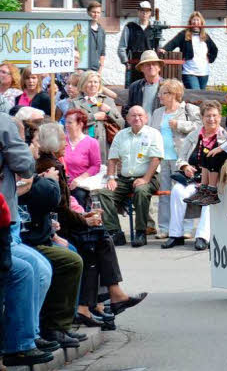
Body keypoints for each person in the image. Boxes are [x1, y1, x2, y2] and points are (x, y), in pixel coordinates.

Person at [33, 123, 145, 328]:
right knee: (98, 239)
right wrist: (85, 220)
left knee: (99, 239)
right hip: (59, 226)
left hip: (64, 222)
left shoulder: (51, 163)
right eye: (62, 140)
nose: (66, 144)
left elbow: (64, 207)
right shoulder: (51, 166)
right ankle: (103, 298)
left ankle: (97, 302)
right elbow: (61, 210)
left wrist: (84, 216)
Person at [16, 158, 85, 350]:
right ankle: (44, 329)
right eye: (33, 141)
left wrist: (52, 230)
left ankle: (64, 322)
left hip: (32, 235)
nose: (35, 148)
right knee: (63, 261)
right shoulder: (36, 165)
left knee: (74, 251)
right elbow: (51, 199)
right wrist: (50, 181)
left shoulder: (35, 169)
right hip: (25, 240)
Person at [0, 112, 52, 367]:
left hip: (6, 219)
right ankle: (18, 344)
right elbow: (25, 165)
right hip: (4, 219)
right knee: (25, 271)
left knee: (42, 268)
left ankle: (28, 335)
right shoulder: (3, 122)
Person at [163, 101, 226, 250]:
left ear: (220, 117)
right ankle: (176, 235)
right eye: (208, 116)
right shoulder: (193, 135)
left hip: (213, 182)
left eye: (215, 116)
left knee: (208, 196)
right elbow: (181, 158)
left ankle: (202, 237)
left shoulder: (226, 137)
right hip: (192, 179)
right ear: (202, 118)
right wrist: (185, 166)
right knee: (178, 191)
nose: (211, 119)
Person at [97, 106, 162, 247]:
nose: (136, 118)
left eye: (140, 115)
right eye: (133, 115)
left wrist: (145, 179)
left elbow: (156, 159)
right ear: (127, 119)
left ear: (146, 118)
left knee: (141, 190)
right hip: (125, 179)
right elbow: (112, 159)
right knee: (104, 193)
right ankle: (115, 232)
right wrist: (111, 178)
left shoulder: (153, 134)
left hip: (149, 177)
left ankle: (140, 232)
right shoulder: (121, 135)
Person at [151, 80, 200, 236]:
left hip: (181, 160)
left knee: (183, 193)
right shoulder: (158, 113)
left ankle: (186, 228)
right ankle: (165, 228)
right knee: (164, 194)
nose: (160, 96)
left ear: (173, 94)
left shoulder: (187, 109)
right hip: (162, 159)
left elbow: (199, 127)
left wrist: (179, 124)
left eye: (163, 93)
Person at [70, 71, 123, 161]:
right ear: (83, 83)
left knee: (102, 170)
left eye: (96, 82)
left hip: (103, 144)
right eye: (90, 82)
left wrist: (109, 111)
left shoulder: (107, 101)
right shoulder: (75, 103)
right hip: (82, 143)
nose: (93, 84)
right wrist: (94, 117)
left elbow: (121, 123)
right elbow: (72, 124)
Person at [162, 12, 218, 90]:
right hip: (189, 72)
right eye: (193, 20)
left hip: (204, 72)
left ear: (201, 22)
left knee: (201, 98)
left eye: (197, 20)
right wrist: (164, 49)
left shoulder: (205, 37)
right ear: (190, 22)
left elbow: (214, 49)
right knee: (196, 94)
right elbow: (173, 43)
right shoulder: (184, 35)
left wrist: (210, 58)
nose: (195, 22)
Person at [62, 109, 101, 210]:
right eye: (65, 122)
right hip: (62, 183)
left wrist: (80, 179)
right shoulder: (61, 141)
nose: (66, 125)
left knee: (79, 196)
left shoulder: (91, 142)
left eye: (70, 122)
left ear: (80, 124)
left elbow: (96, 165)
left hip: (80, 184)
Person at [117, 1, 158, 86]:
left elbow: (159, 46)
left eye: (147, 11)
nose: (144, 13)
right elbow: (122, 47)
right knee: (131, 90)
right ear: (138, 12)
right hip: (133, 65)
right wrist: (125, 62)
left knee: (148, 89)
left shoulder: (154, 28)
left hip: (148, 66)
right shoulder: (130, 27)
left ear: (150, 13)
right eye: (142, 10)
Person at [125, 50, 164, 120]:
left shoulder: (167, 86)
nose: (151, 66)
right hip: (141, 129)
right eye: (147, 64)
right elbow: (128, 109)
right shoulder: (135, 87)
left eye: (154, 64)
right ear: (141, 68)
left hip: (160, 128)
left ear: (159, 67)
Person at [85, 0, 106, 73]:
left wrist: (101, 68)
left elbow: (102, 51)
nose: (96, 14)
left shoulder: (101, 31)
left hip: (96, 69)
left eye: (98, 12)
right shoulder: (83, 29)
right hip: (84, 69)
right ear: (88, 12)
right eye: (93, 12)